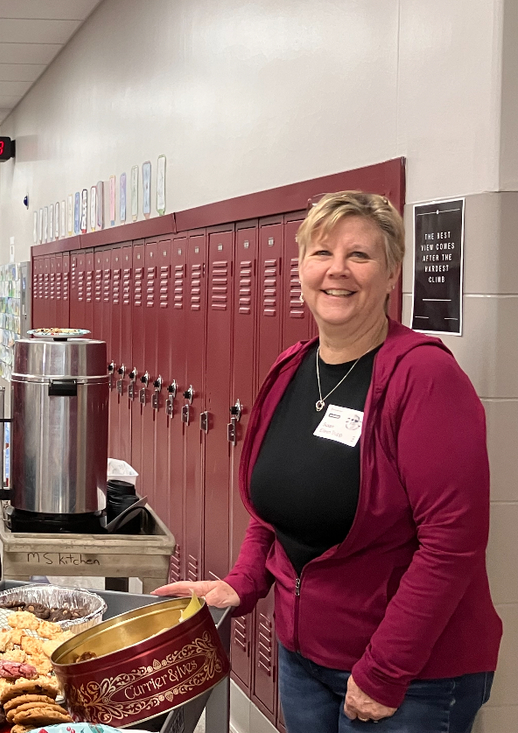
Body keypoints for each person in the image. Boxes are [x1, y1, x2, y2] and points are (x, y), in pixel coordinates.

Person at [154, 192, 501, 732]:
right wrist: (241, 583)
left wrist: (385, 669)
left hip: (411, 678)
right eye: (321, 253)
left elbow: (451, 544)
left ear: (391, 274)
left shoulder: (424, 379)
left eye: (360, 255)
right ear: (300, 269)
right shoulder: (293, 368)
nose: (337, 270)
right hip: (305, 660)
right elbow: (274, 508)